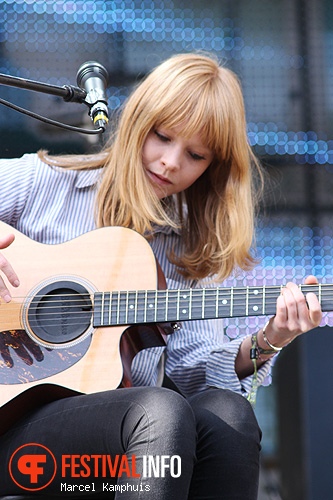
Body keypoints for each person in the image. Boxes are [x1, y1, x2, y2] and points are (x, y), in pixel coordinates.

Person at [0, 52, 322, 499]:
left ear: (214, 167)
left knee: (225, 412)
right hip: (14, 430)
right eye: (162, 136)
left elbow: (194, 374)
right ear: (138, 122)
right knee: (158, 410)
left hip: (117, 443)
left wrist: (267, 340)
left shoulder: (190, 247)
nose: (170, 162)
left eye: (195, 155)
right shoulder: (41, 183)